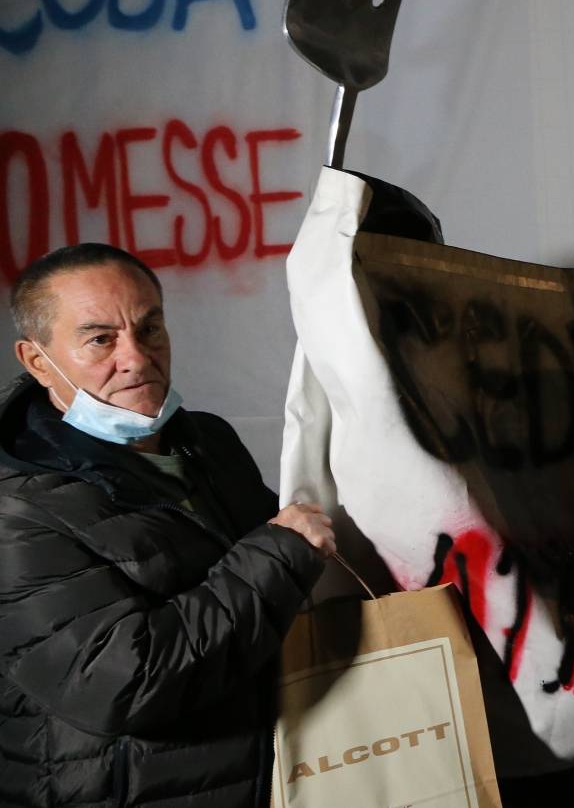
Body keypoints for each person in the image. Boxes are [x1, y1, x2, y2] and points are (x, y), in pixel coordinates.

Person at [0, 243, 336, 807]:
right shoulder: (17, 509)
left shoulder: (207, 441)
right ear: (37, 361)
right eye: (99, 338)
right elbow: (125, 683)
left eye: (150, 328)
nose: (135, 356)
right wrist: (281, 553)